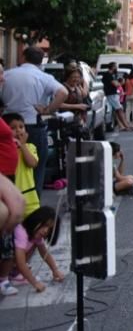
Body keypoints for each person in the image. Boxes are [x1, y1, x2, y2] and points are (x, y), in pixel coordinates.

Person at [1, 46, 68, 194]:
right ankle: (33, 206)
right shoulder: (44, 77)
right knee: (36, 170)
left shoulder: (7, 75)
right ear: (40, 61)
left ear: (23, 57)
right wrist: (48, 110)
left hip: (6, 126)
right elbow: (63, 92)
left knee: (6, 170)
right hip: (33, 126)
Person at [8, 206, 64, 293]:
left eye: (49, 229)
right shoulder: (21, 231)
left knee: (36, 244)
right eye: (45, 225)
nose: (46, 231)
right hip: (6, 263)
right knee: (16, 254)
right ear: (36, 219)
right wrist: (35, 283)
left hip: (14, 264)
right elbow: (21, 263)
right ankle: (5, 279)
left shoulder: (35, 234)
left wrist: (55, 270)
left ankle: (15, 273)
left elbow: (45, 254)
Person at [2, 113, 39, 219]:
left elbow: (32, 163)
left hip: (30, 200)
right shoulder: (5, 151)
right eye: (13, 128)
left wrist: (22, 145)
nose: (18, 131)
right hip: (10, 198)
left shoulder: (30, 147)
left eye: (21, 127)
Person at [101, 61, 132, 132]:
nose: (116, 68)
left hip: (113, 94)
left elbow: (117, 83)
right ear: (112, 67)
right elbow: (116, 84)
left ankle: (123, 126)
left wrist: (118, 83)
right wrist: (120, 83)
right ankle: (126, 126)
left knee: (117, 111)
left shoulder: (112, 75)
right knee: (120, 109)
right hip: (111, 94)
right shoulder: (108, 75)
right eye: (115, 66)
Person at [61, 65, 92, 134]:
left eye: (78, 77)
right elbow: (59, 105)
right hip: (66, 124)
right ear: (67, 77)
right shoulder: (63, 88)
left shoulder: (76, 87)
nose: (76, 79)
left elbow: (84, 95)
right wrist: (78, 106)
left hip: (78, 122)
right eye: (74, 77)